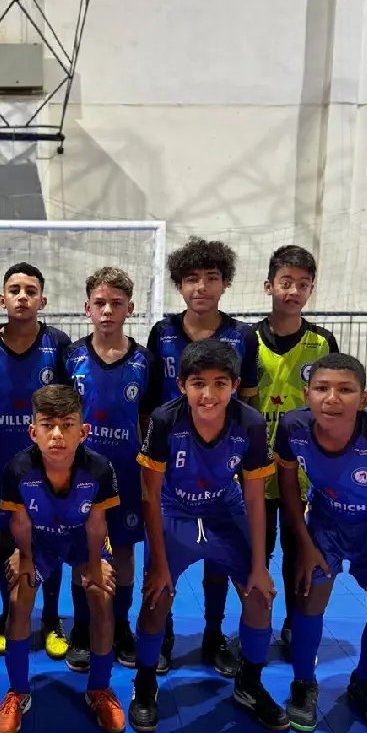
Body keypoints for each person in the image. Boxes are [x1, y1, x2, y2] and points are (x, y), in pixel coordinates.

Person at [131, 341, 287, 733]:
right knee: (155, 598)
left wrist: (259, 566)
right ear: (182, 385)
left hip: (224, 509)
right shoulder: (165, 420)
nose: (209, 394)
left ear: (234, 385)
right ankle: (145, 684)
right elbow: (149, 495)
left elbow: (255, 498)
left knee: (259, 596)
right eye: (198, 383)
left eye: (220, 383)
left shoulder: (250, 423)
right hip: (174, 509)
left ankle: (250, 683)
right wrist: (159, 565)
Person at [274, 353, 367, 733]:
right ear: (306, 394)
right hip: (325, 523)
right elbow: (288, 485)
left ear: (364, 398)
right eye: (322, 388)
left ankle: (365, 683)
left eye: (345, 390)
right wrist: (305, 544)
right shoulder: (292, 427)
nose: (332, 398)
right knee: (309, 597)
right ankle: (303, 684)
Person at [146, 237, 259, 678]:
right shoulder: (163, 332)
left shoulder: (242, 336)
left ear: (225, 283)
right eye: (192, 279)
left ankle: (214, 636)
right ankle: (163, 638)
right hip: (172, 458)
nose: (201, 287)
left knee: (221, 559)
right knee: (163, 566)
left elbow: (247, 401)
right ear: (179, 285)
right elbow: (153, 400)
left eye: (211, 278)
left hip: (220, 464)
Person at [0, 384, 125, 733]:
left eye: (67, 425)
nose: (57, 435)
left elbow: (97, 523)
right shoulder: (18, 468)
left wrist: (94, 564)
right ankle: (17, 692)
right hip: (40, 541)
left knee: (102, 596)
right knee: (19, 598)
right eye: (48, 425)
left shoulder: (99, 468)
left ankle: (100, 688)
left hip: (82, 540)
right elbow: (19, 522)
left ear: (83, 431)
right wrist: (24, 557)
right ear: (32, 432)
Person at [63, 267, 159, 673]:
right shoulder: (71, 357)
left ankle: (120, 626)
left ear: (129, 309)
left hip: (126, 472)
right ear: (87, 307)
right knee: (82, 550)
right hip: (80, 474)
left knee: (123, 550)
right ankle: (82, 629)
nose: (107, 311)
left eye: (116, 304)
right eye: (99, 303)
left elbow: (148, 420)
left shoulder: (145, 361)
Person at [0, 263, 71, 658]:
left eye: (30, 291)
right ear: (2, 299)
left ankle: (51, 618)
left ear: (42, 300)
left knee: (51, 535)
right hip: (0, 459)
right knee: (5, 536)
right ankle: (8, 614)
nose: (22, 297)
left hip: (47, 461)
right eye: (14, 290)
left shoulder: (59, 344)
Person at [254, 244, 338, 655]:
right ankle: (256, 627)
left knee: (298, 551)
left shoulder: (322, 342)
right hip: (253, 470)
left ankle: (293, 624)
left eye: (303, 284)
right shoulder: (246, 339)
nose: (293, 291)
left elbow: (334, 406)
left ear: (311, 290)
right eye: (286, 282)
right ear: (269, 285)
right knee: (255, 553)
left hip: (303, 475)